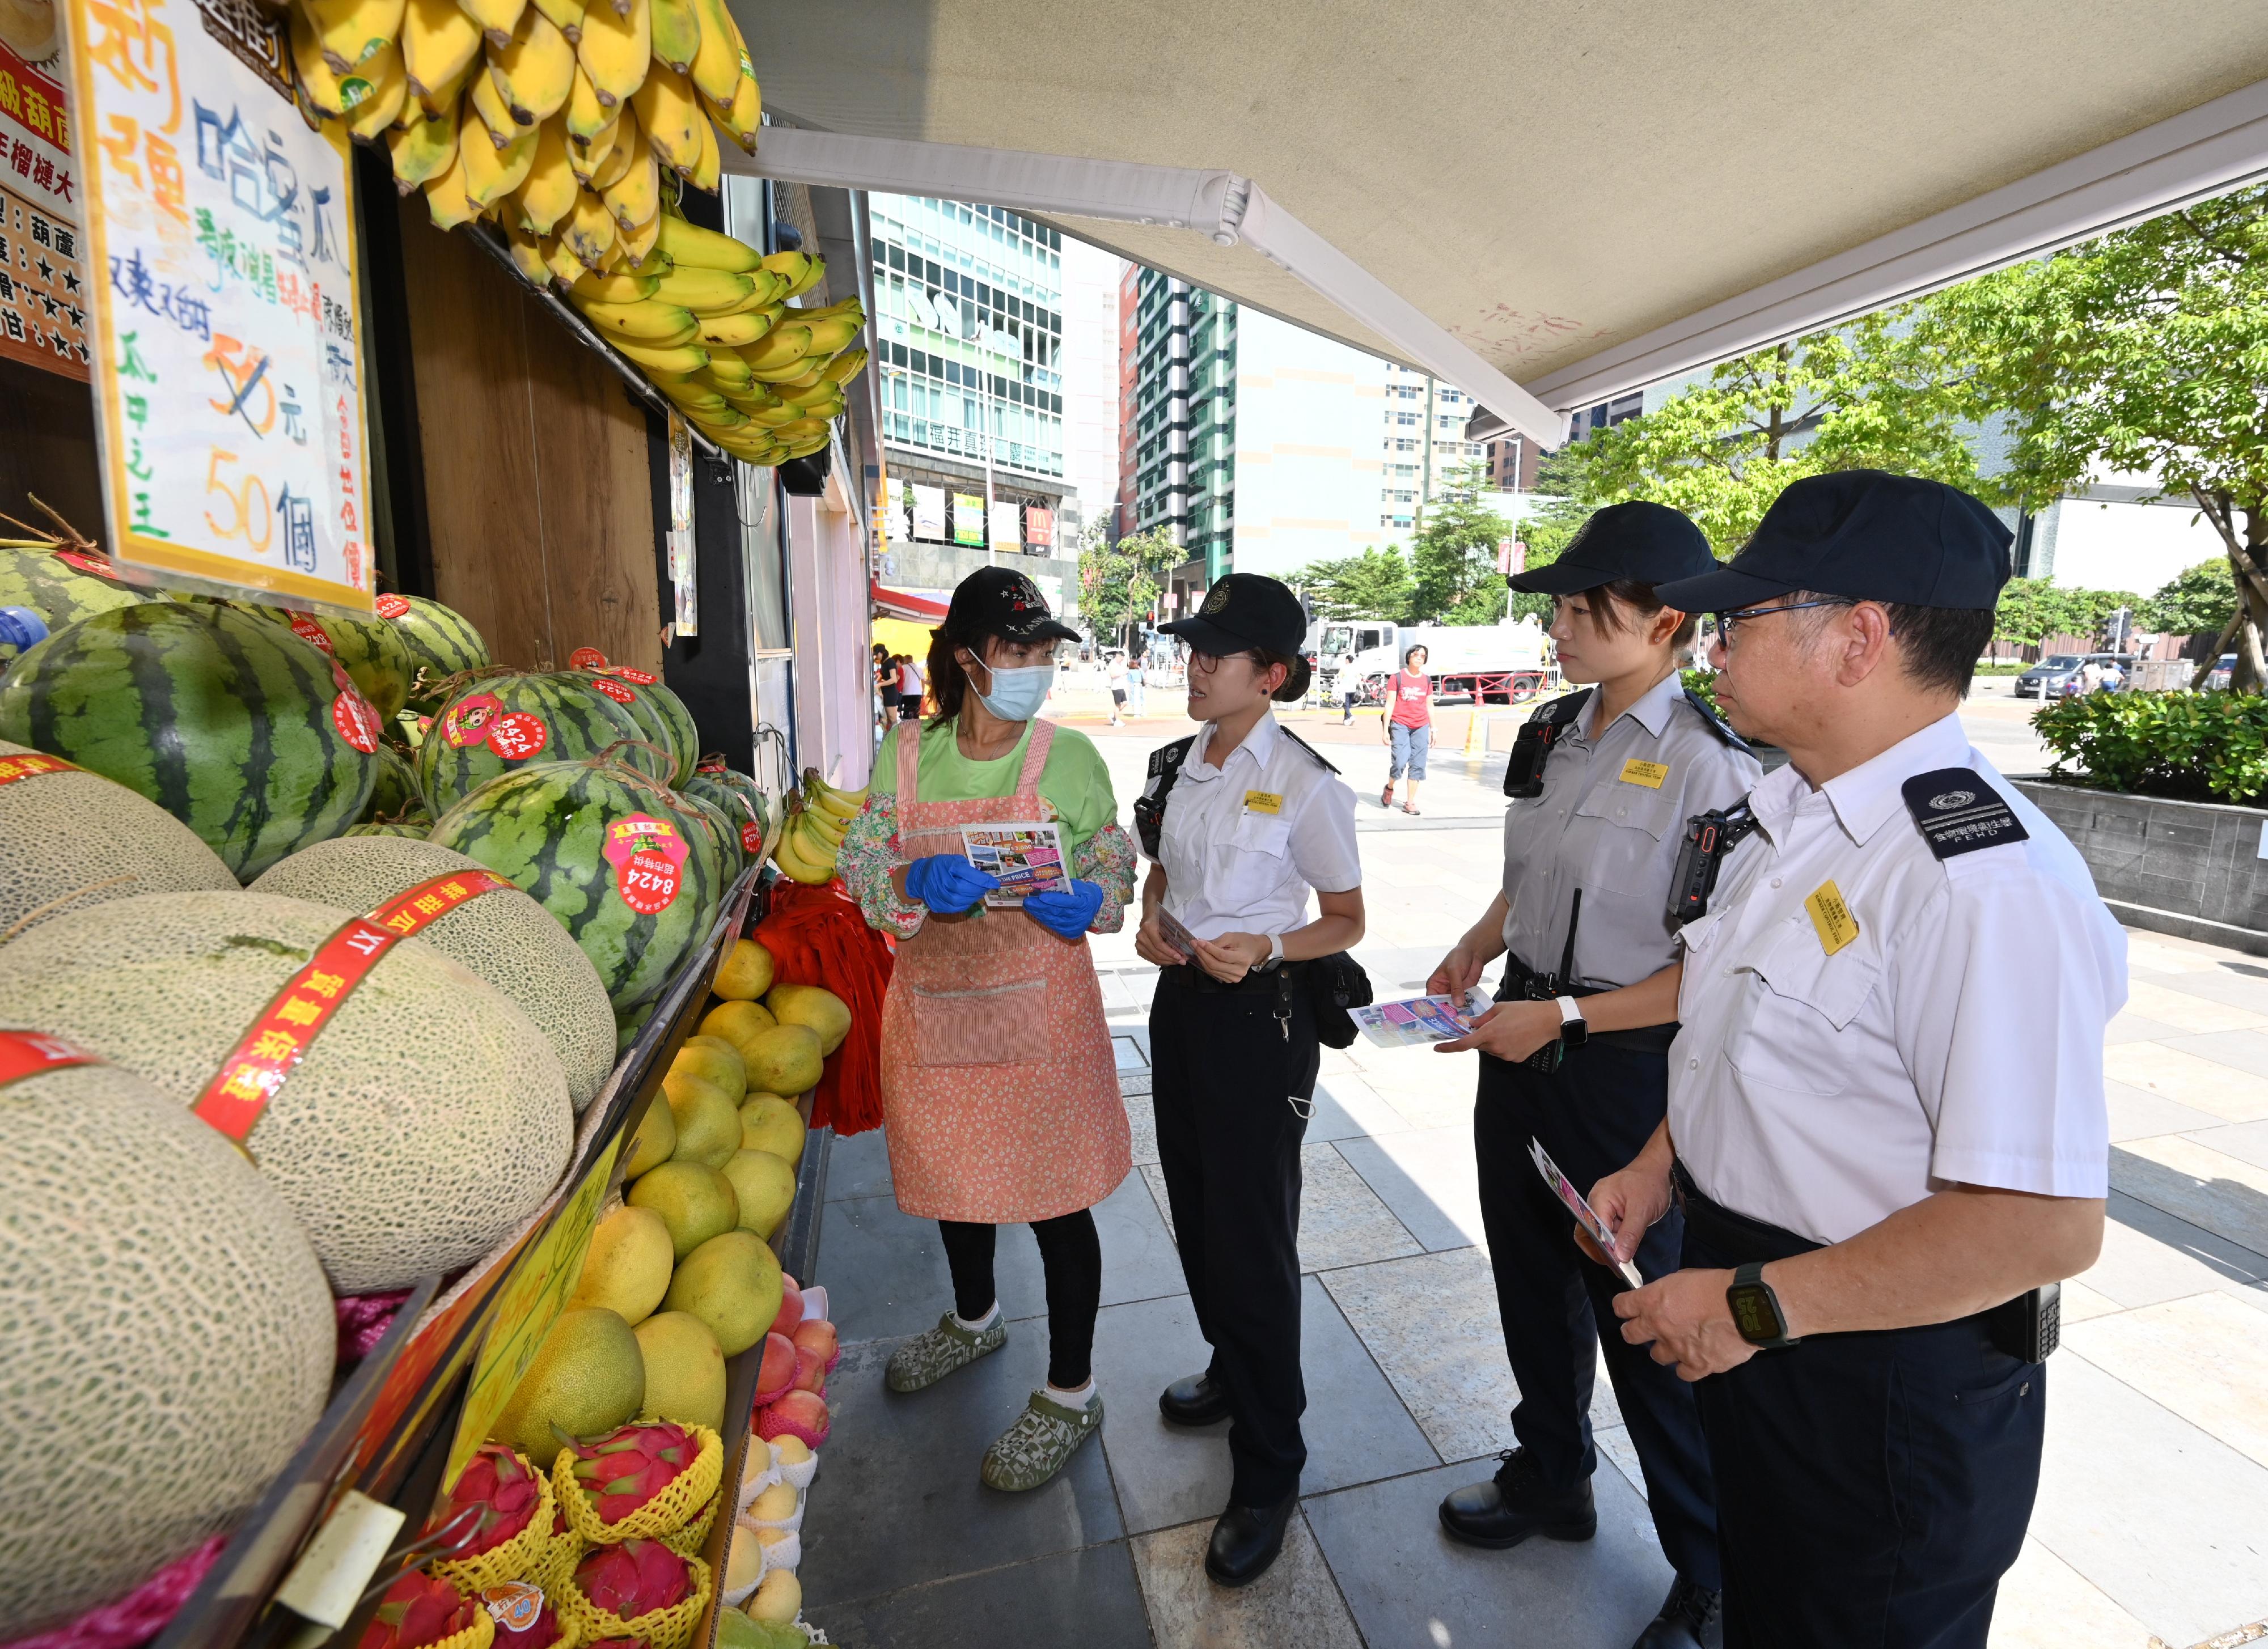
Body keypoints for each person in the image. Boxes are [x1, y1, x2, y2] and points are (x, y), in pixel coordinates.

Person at [1579, 470, 2123, 1646]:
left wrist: (1749, 1307)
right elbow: (1748, 1033)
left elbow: (2038, 1225)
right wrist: (1659, 1162)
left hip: (1877, 1366)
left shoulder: (1981, 882)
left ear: (1857, 637)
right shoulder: (1798, 815)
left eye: (1742, 618)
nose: (1712, 646)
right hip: (1770, 1310)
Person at [1424, 501, 1756, 1649]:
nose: (1557, 627)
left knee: (1642, 1316)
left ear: (1665, 620)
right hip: (1522, 1030)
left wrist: (1559, 1013)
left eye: (1583, 607)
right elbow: (1533, 871)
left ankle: (1708, 1567)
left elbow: (1712, 970)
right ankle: (1553, 1469)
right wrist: (1479, 939)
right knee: (1525, 1268)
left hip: (1620, 1066)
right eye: (1558, 605)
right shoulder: (1554, 732)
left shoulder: (1714, 767)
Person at [837, 566, 1139, 1492]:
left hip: (1041, 1013)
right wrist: (912, 884)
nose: (1038, 669)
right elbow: (862, 863)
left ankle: (1071, 1386)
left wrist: (1094, 893)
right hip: (938, 1010)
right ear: (968, 659)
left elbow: (1114, 862)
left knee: (1057, 1199)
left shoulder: (1069, 757)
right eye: (1020, 651)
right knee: (956, 1181)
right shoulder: (905, 754)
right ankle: (974, 1317)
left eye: (1048, 652)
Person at [1132, 573, 1365, 1587]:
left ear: (1270, 674)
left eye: (1217, 653)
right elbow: (1162, 866)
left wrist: (1269, 944)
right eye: (1192, 648)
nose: (1196, 664)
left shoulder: (1310, 782)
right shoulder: (1176, 762)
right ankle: (1234, 1362)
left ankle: (1272, 1460)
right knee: (1196, 1204)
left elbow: (1347, 918)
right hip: (1182, 1003)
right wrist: (1153, 911)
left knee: (1254, 1230)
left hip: (1259, 1018)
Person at [1381, 644, 1433, 815]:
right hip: (1400, 724)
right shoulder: (1397, 678)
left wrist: (1434, 729)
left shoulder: (1427, 680)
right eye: (1416, 654)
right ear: (1409, 656)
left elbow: (1430, 705)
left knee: (1418, 764)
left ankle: (1410, 802)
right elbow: (1389, 704)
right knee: (1399, 761)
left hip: (1421, 726)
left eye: (1423, 656)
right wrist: (1385, 730)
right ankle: (1390, 787)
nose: (1419, 658)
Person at [875, 642, 900, 729]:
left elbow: (894, 679)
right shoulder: (884, 663)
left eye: (877, 654)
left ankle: (897, 738)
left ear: (882, 653)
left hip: (891, 693)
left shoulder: (890, 662)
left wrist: (880, 684)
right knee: (889, 720)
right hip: (886, 692)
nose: (876, 657)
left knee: (893, 719)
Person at [897, 652, 926, 720]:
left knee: (907, 710)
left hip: (906, 692)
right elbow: (923, 680)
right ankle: (916, 725)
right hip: (917, 692)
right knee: (916, 711)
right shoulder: (918, 668)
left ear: (905, 660)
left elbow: (900, 679)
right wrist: (923, 691)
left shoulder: (903, 668)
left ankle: (906, 725)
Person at [1106, 650, 1129, 726]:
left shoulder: (1120, 664)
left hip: (1121, 686)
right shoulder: (1113, 664)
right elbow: (1112, 675)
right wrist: (1122, 673)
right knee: (1118, 705)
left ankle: (1114, 716)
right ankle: (1117, 720)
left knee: (1125, 703)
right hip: (1116, 687)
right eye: (1121, 658)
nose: (1122, 660)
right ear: (1118, 656)